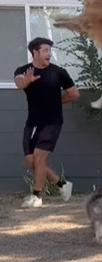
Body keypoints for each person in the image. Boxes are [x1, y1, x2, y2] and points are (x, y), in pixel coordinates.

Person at [14, 37, 80, 208]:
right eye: (45, 50)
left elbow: (74, 94)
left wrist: (57, 102)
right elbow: (19, 83)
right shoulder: (23, 70)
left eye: (50, 50)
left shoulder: (59, 72)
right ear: (35, 52)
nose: (49, 53)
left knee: (40, 157)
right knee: (32, 162)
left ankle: (36, 196)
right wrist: (27, 81)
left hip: (52, 122)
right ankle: (62, 184)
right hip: (32, 123)